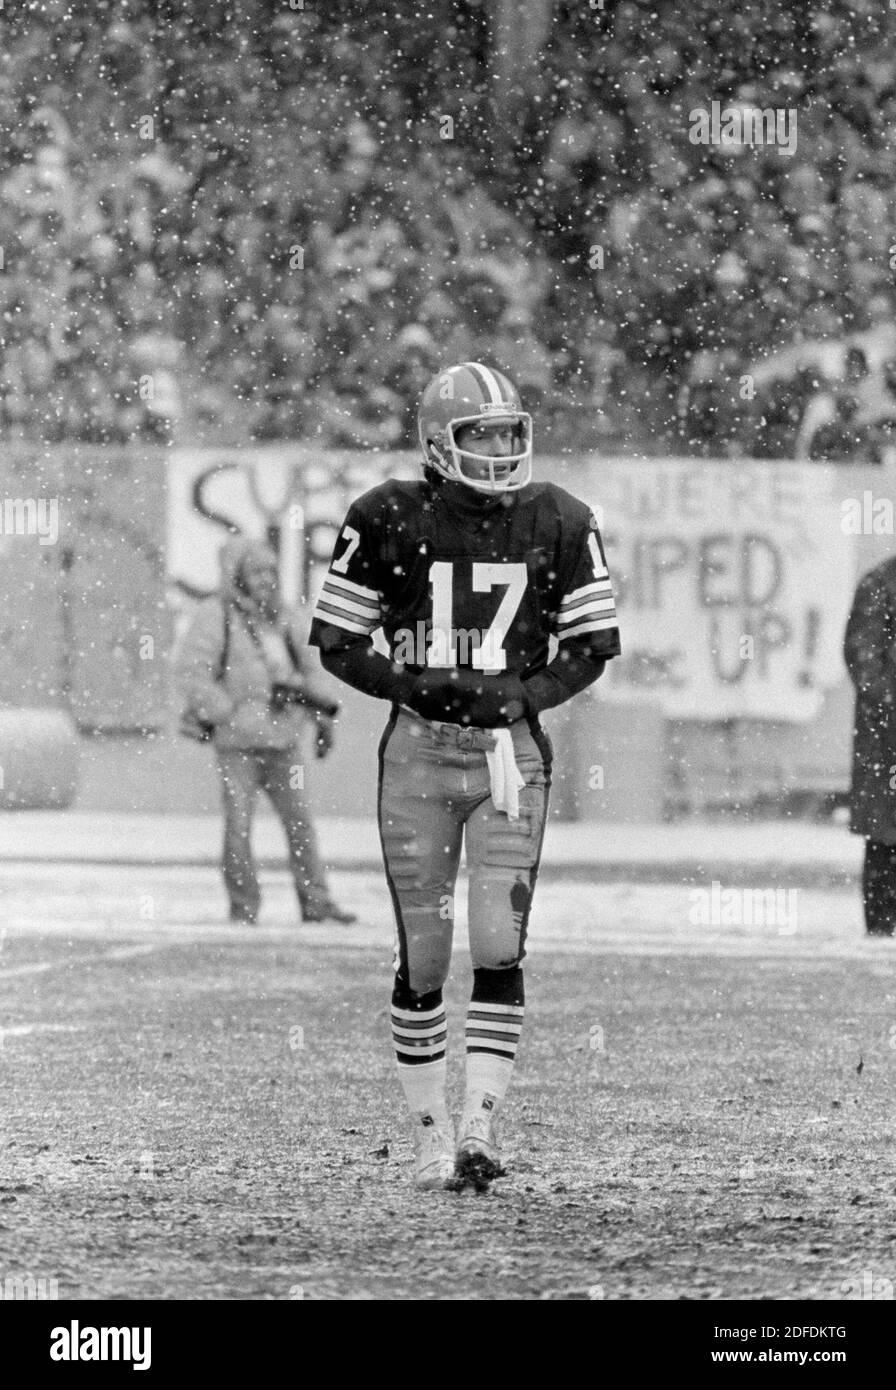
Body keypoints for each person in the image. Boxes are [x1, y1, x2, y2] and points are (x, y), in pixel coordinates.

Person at [309, 363, 621, 1190]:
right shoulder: (384, 515)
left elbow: (591, 647)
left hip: (507, 757)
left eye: (508, 433)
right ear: (438, 444)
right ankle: (429, 1136)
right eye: (481, 435)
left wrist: (524, 692)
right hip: (416, 751)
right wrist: (413, 685)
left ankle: (480, 1128)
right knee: (423, 954)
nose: (499, 450)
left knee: (496, 940)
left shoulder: (560, 518)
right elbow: (338, 641)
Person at [177, 536, 357, 927]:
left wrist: (321, 716)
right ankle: (244, 906)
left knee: (301, 823)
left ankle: (317, 902)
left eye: (271, 571)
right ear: (237, 575)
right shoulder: (217, 615)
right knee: (238, 827)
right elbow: (193, 673)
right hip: (237, 745)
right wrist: (229, 713)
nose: (266, 579)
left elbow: (312, 671)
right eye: (256, 571)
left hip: (284, 740)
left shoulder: (285, 617)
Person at [844, 558, 896, 936]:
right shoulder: (881, 583)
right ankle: (882, 929)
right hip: (887, 743)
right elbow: (864, 662)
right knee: (886, 839)